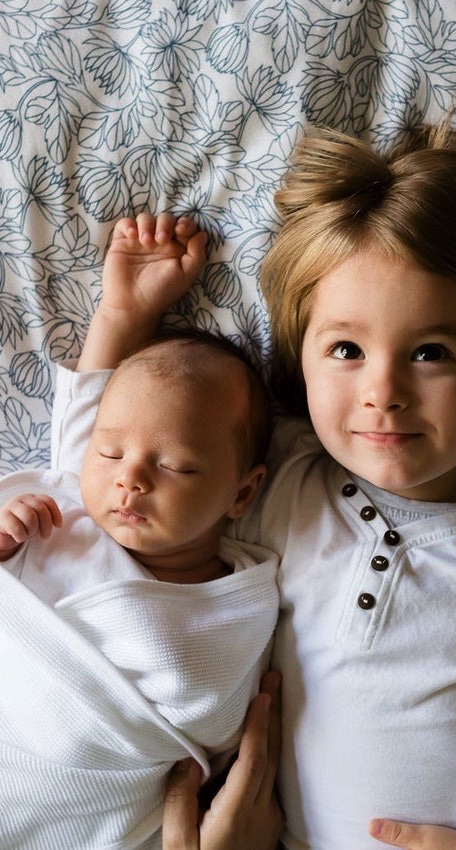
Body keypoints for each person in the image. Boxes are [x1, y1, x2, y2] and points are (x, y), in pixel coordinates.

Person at [50, 107, 456, 850]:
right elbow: (109, 468)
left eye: (430, 353)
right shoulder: (277, 480)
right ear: (302, 363)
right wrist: (122, 318)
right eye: (347, 351)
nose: (383, 392)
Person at [0, 218, 279, 850]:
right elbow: (94, 401)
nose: (129, 479)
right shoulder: (70, 506)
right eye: (109, 453)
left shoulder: (239, 602)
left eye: (175, 465)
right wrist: (125, 309)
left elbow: (215, 718)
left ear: (242, 493)